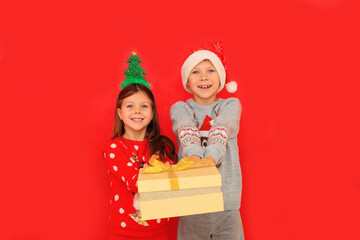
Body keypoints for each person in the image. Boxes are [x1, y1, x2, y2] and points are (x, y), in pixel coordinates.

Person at [170, 41, 244, 240]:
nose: (203, 77)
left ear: (221, 78)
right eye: (195, 72)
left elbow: (222, 129)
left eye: (211, 70)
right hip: (192, 202)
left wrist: (209, 159)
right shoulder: (180, 108)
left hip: (226, 203)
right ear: (187, 81)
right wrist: (196, 158)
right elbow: (187, 134)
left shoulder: (231, 104)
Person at [104, 80, 177, 239]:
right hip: (124, 233)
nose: (137, 111)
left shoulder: (161, 148)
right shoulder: (114, 148)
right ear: (120, 113)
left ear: (152, 113)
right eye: (130, 106)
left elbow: (172, 182)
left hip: (159, 231)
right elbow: (135, 182)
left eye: (144, 106)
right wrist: (158, 175)